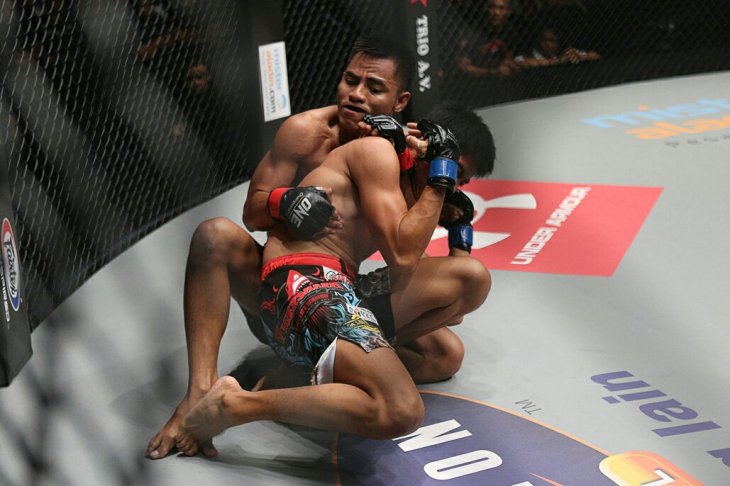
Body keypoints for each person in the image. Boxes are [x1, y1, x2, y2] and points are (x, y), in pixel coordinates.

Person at [146, 33, 481, 460]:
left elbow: (410, 262)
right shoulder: (309, 132)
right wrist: (284, 201)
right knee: (214, 234)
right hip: (287, 285)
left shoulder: (398, 156)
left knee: (445, 353)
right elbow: (252, 213)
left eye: (374, 88)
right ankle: (200, 391)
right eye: (350, 80)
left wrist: (443, 198)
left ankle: (302, 374)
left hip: (337, 285)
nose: (356, 94)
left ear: (400, 102)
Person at [454, 0, 522, 79]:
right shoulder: (473, 31)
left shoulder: (509, 31)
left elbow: (509, 58)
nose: (496, 12)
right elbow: (461, 65)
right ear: (486, 9)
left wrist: (510, 65)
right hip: (475, 82)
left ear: (508, 11)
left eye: (501, 8)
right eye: (492, 7)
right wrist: (492, 72)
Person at [514, 24, 600, 68]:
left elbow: (596, 55)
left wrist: (578, 56)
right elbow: (520, 62)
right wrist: (559, 61)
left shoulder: (564, 52)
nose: (547, 44)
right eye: (544, 40)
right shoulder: (529, 54)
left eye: (552, 40)